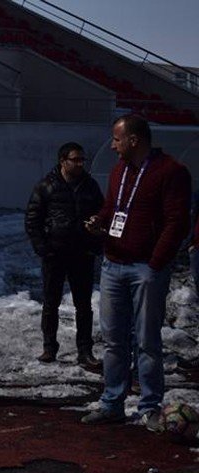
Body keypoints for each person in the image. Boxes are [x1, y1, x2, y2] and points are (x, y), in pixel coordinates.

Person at [81, 114, 193, 429]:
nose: (113, 146)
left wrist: (156, 262)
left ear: (134, 140)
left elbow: (177, 222)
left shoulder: (171, 172)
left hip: (146, 268)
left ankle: (149, 407)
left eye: (117, 140)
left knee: (146, 341)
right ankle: (112, 402)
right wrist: (99, 221)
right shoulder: (120, 170)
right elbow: (113, 207)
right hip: (113, 264)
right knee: (114, 339)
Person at [24, 142, 104, 371]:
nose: (80, 164)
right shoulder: (46, 186)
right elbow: (32, 219)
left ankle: (85, 351)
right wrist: (43, 248)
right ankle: (49, 348)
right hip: (55, 254)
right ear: (63, 161)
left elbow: (102, 214)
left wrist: (95, 245)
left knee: (84, 305)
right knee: (51, 303)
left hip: (82, 253)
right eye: (75, 159)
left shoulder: (90, 186)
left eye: (82, 160)